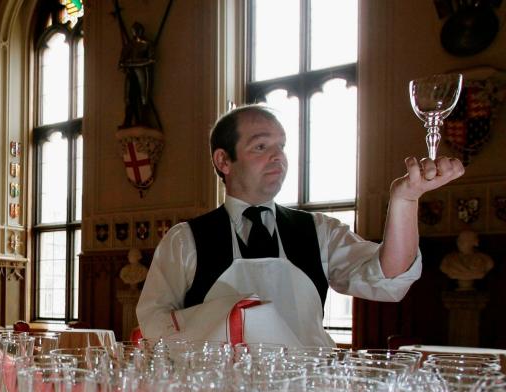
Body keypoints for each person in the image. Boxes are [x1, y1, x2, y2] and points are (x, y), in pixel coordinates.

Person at [136, 104, 466, 345]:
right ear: (223, 161)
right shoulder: (186, 241)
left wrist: (405, 201)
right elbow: (153, 323)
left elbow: (388, 278)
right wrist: (226, 318)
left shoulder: (319, 231)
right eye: (261, 147)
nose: (278, 156)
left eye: (281, 146)